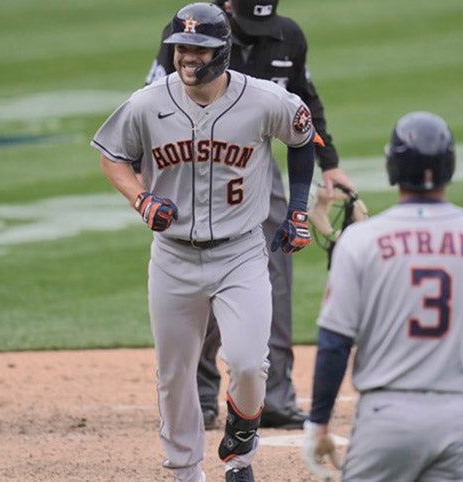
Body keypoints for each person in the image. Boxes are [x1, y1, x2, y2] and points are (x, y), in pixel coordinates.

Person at [93, 3, 321, 480]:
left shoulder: (263, 101)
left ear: (223, 53)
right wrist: (141, 199)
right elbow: (113, 156)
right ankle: (184, 470)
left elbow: (303, 139)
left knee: (248, 364)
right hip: (173, 258)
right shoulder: (147, 103)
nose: (187, 58)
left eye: (199, 50)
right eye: (181, 49)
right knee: (175, 375)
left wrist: (298, 210)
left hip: (240, 253)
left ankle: (240, 454)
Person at [302, 112, 463, 481]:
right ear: (449, 165)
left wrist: (318, 424)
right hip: (461, 420)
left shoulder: (361, 240)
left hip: (385, 420)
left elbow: (335, 342)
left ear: (392, 168)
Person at [145, 0, 353, 430]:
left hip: (256, 165)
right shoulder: (193, 32)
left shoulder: (288, 36)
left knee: (272, 278)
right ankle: (202, 396)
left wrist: (328, 163)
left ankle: (273, 396)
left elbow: (305, 103)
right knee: (198, 270)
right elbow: (153, 101)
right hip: (194, 165)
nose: (258, 32)